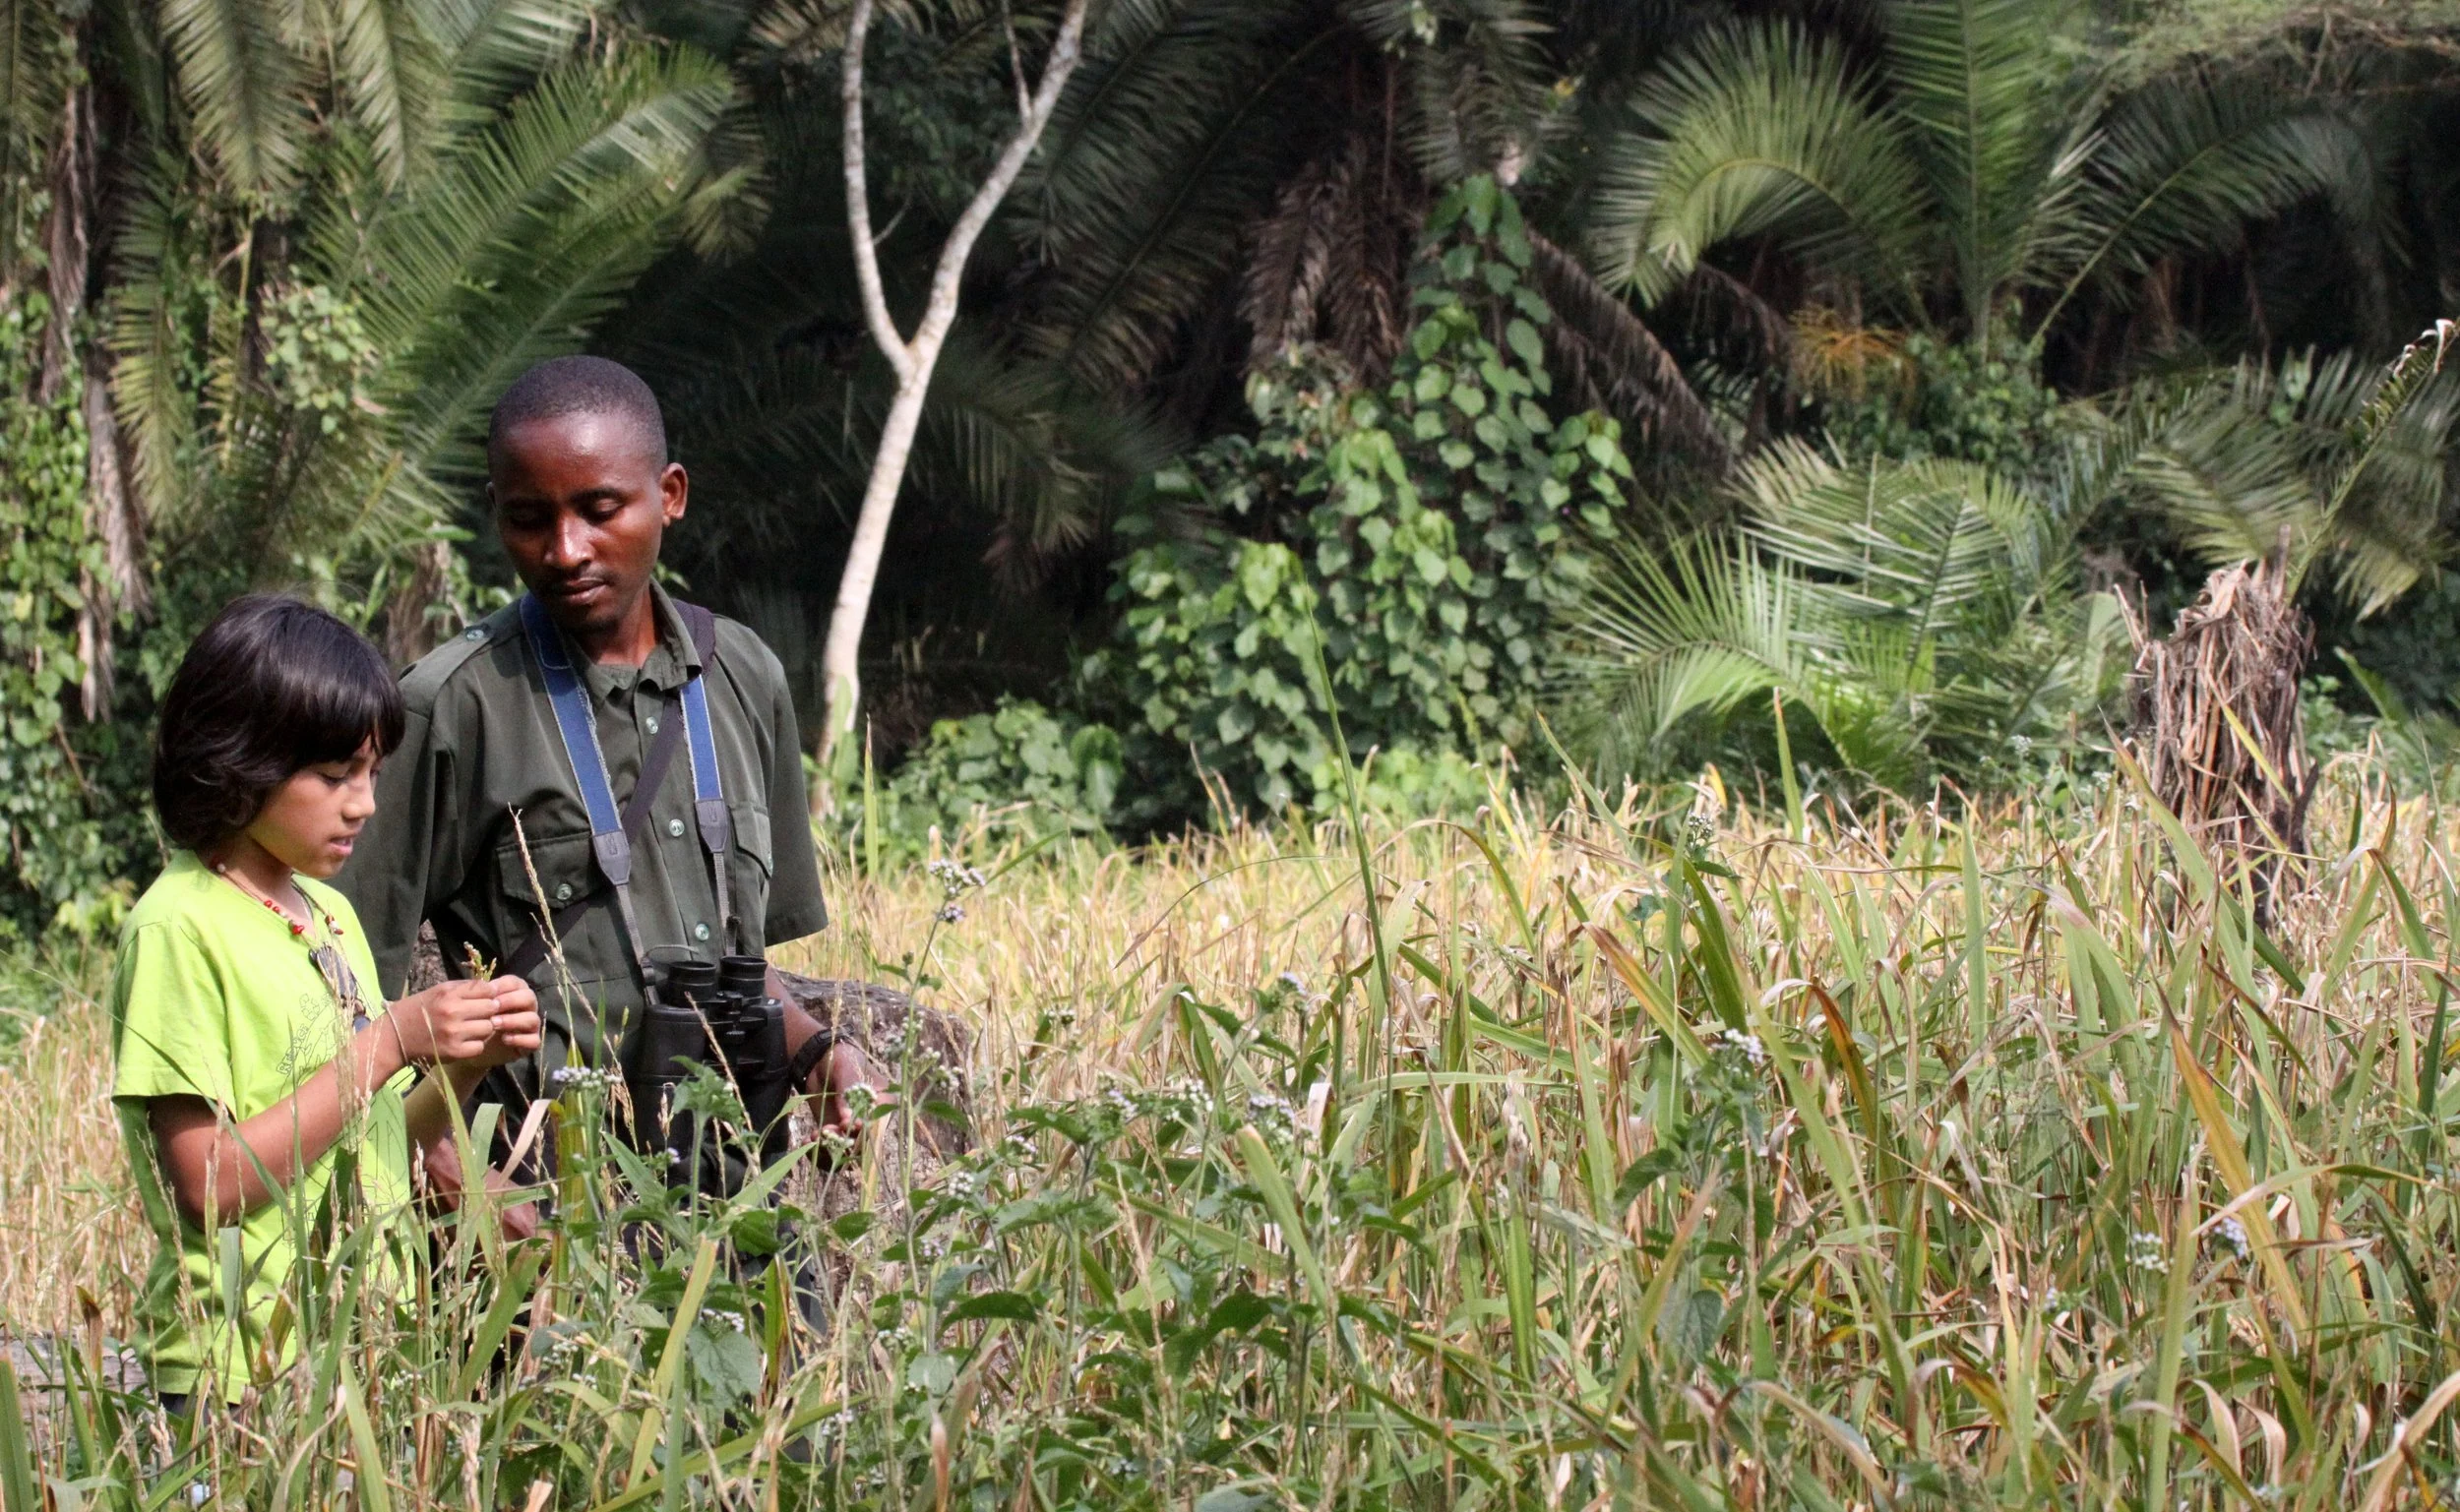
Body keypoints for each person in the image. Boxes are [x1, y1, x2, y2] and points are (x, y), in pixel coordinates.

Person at [336, 356, 866, 1189]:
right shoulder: (451, 708)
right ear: (494, 516)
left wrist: (820, 1050)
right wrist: (457, 1174)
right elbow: (341, 987)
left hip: (741, 1182)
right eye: (529, 518)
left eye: (599, 508)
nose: (565, 549)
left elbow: (734, 954)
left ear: (672, 495)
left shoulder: (744, 677)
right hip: (547, 1195)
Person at [110, 596, 543, 1410]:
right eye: (335, 774)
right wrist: (390, 1039)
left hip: (354, 1359)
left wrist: (464, 1066)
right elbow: (208, 1184)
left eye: (372, 774)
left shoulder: (329, 914)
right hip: (235, 1383)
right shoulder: (180, 927)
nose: (365, 804)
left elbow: (374, 1147)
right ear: (236, 761)